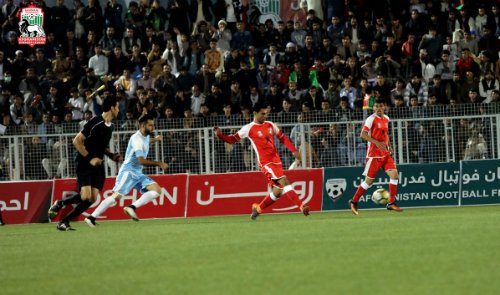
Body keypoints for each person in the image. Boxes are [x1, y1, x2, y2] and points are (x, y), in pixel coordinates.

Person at [213, 102, 310, 220]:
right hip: (265, 163)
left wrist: (293, 150)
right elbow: (232, 139)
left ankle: (258, 209)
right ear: (255, 113)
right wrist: (220, 135)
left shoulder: (270, 125)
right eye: (262, 114)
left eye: (266, 114)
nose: (265, 116)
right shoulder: (248, 128)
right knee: (284, 181)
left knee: (278, 191)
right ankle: (302, 206)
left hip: (276, 161)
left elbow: (282, 138)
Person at [48, 95, 122, 231]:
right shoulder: (95, 121)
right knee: (85, 196)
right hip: (85, 162)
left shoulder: (111, 126)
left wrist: (111, 155)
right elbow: (77, 140)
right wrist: (90, 158)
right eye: (117, 107)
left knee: (92, 198)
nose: (118, 110)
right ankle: (60, 203)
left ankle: (64, 221)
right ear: (112, 108)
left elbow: (101, 146)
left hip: (98, 165)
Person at [83, 114, 168, 226]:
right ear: (142, 125)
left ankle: (131, 207)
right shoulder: (136, 139)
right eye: (151, 125)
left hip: (137, 172)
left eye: (153, 125)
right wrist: (159, 163)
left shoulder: (145, 135)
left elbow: (146, 141)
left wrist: (155, 140)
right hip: (128, 171)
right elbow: (141, 160)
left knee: (157, 190)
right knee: (115, 197)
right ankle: (91, 217)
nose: (153, 128)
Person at [349, 98, 403, 215]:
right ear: (373, 108)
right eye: (376, 106)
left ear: (384, 107)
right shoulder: (371, 119)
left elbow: (385, 134)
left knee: (394, 175)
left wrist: (389, 145)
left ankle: (391, 203)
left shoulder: (386, 118)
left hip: (385, 154)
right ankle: (354, 201)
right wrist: (376, 142)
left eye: (380, 106)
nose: (378, 108)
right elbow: (363, 134)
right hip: (374, 156)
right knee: (368, 182)